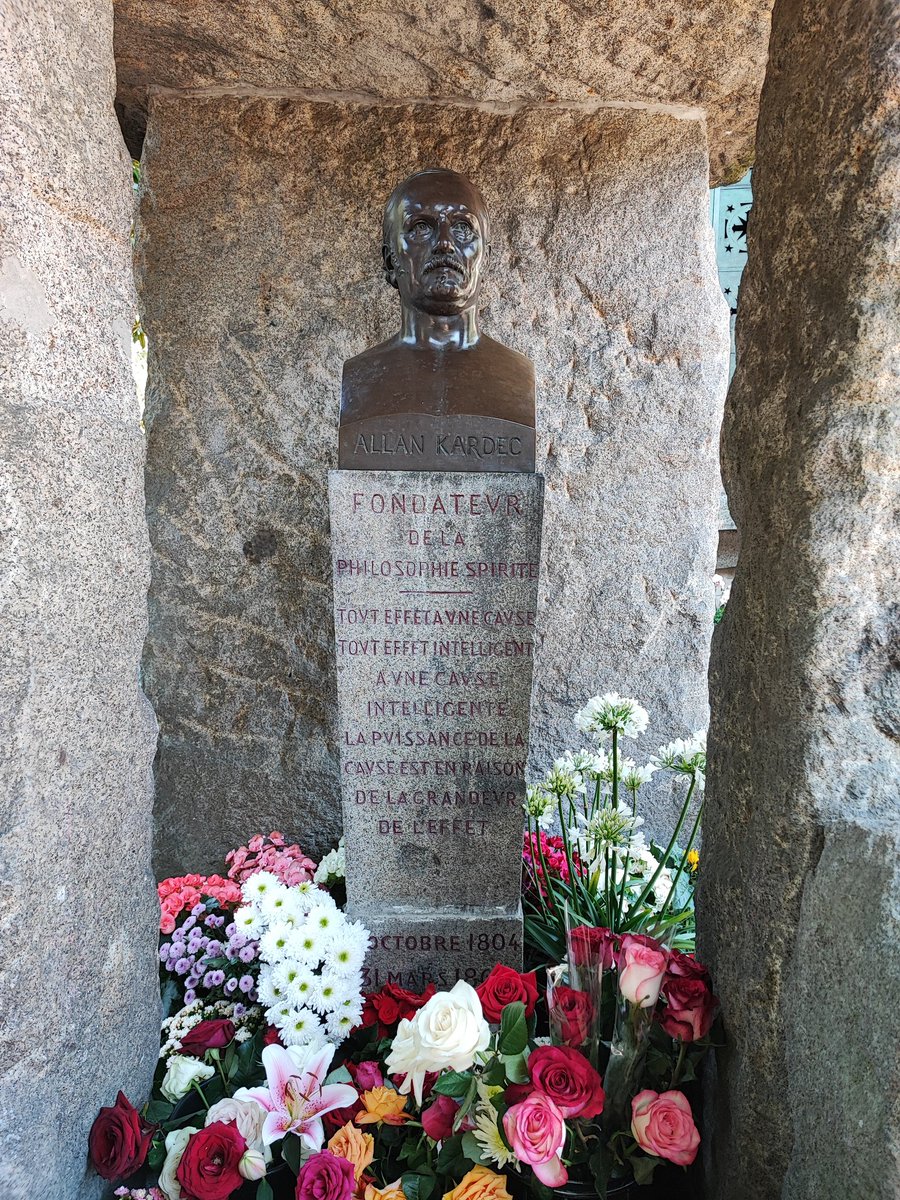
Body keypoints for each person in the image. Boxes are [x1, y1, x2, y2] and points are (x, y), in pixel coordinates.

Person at [339, 168, 535, 471]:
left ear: (485, 258)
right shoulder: (361, 379)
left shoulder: (516, 379)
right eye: (420, 227)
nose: (444, 243)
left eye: (462, 228)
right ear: (390, 260)